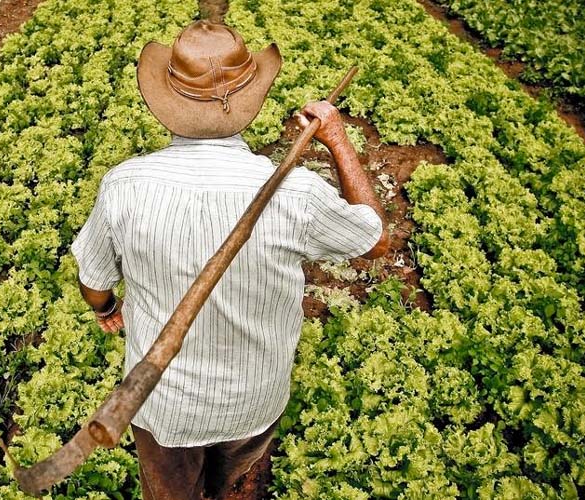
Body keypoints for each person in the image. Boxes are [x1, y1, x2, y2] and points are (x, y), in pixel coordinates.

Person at [70, 17, 389, 500]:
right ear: (251, 101)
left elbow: (94, 281)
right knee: (238, 484)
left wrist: (106, 309)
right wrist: (339, 141)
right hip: (252, 402)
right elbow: (375, 238)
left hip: (163, 407)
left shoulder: (124, 186)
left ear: (166, 102)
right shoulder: (296, 192)